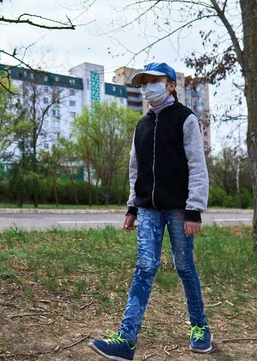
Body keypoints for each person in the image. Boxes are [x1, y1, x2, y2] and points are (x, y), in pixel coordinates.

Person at [88, 62, 213, 360]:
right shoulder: (141, 125)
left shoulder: (186, 119)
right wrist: (132, 206)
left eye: (153, 81)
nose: (147, 87)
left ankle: (200, 327)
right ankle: (126, 340)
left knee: (184, 267)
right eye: (143, 83)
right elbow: (136, 170)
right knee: (145, 267)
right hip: (147, 209)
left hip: (180, 208)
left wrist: (195, 209)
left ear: (170, 85)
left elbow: (197, 165)